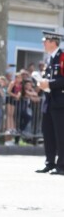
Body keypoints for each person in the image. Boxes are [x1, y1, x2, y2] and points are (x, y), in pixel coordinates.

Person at [36, 31, 64, 175]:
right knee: (48, 134)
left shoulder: (62, 57)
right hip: (49, 101)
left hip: (60, 102)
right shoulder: (49, 59)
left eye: (45, 41)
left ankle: (62, 166)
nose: (43, 43)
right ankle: (50, 163)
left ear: (54, 42)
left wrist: (49, 83)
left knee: (60, 135)